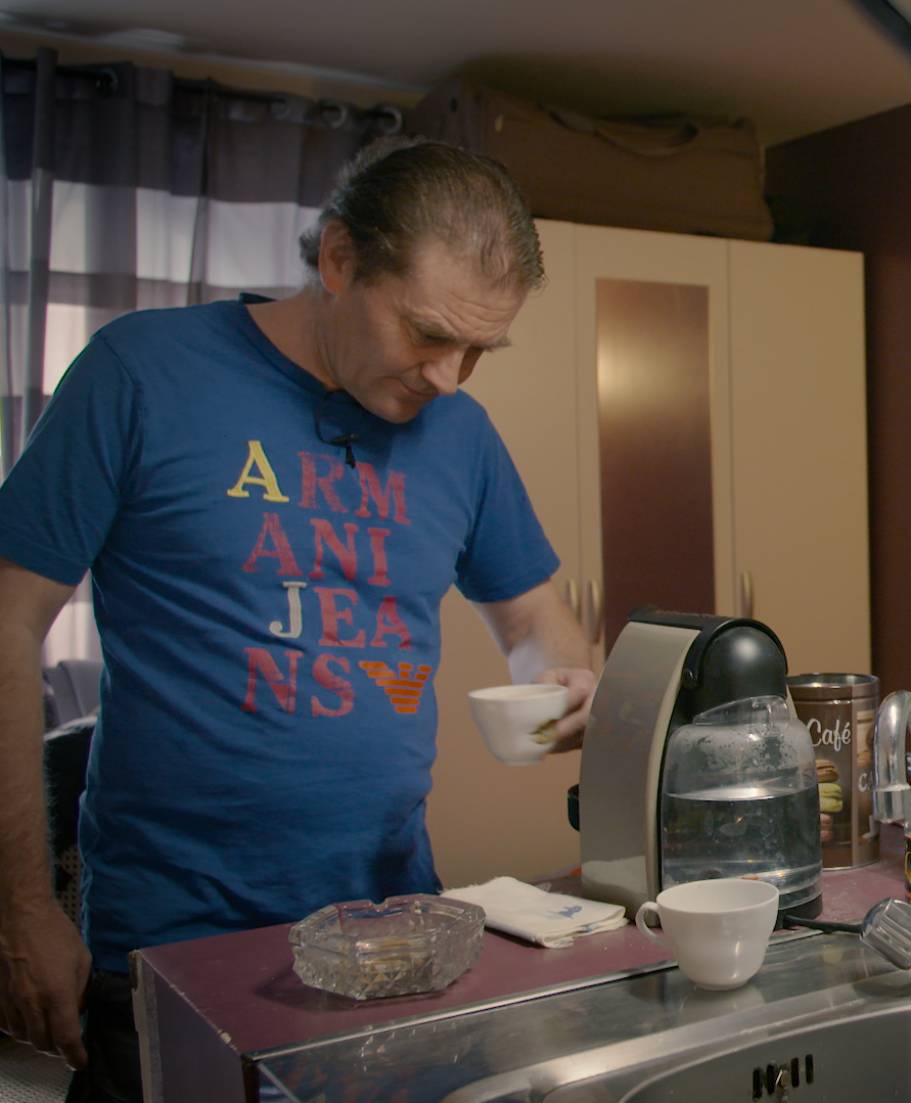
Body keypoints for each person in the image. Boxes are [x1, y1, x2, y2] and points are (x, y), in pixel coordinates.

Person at [0, 138, 596, 1102]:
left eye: (481, 348)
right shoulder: (141, 374)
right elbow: (7, 622)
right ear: (339, 260)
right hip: (174, 949)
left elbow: (536, 618)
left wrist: (563, 681)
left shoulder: (462, 436)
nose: (452, 378)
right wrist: (21, 905)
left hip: (396, 940)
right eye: (429, 333)